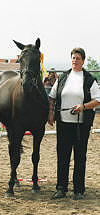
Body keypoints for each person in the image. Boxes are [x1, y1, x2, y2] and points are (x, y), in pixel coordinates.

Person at [48, 48, 100, 200]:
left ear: (83, 61)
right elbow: (52, 96)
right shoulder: (63, 77)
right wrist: (51, 113)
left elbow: (97, 100)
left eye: (78, 58)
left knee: (79, 157)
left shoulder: (89, 79)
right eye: (73, 58)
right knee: (62, 156)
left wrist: (83, 107)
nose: (75, 60)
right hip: (63, 123)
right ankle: (61, 188)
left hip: (80, 125)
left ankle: (78, 190)